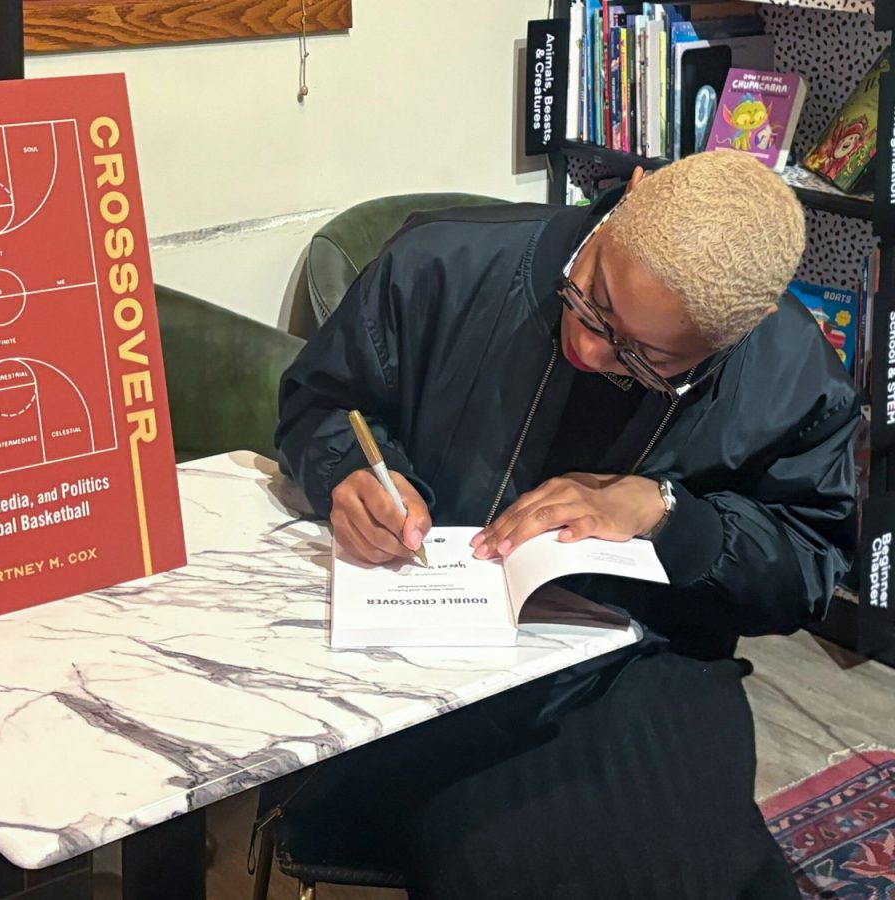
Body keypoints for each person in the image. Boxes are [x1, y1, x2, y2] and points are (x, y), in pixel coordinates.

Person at [270, 151, 858, 899]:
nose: (588, 349)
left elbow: (809, 568)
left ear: (734, 338)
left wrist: (672, 516)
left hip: (643, 663)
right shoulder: (441, 262)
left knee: (700, 870)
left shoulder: (790, 372)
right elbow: (320, 405)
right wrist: (349, 475)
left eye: (646, 360)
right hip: (429, 656)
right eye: (591, 299)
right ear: (633, 194)